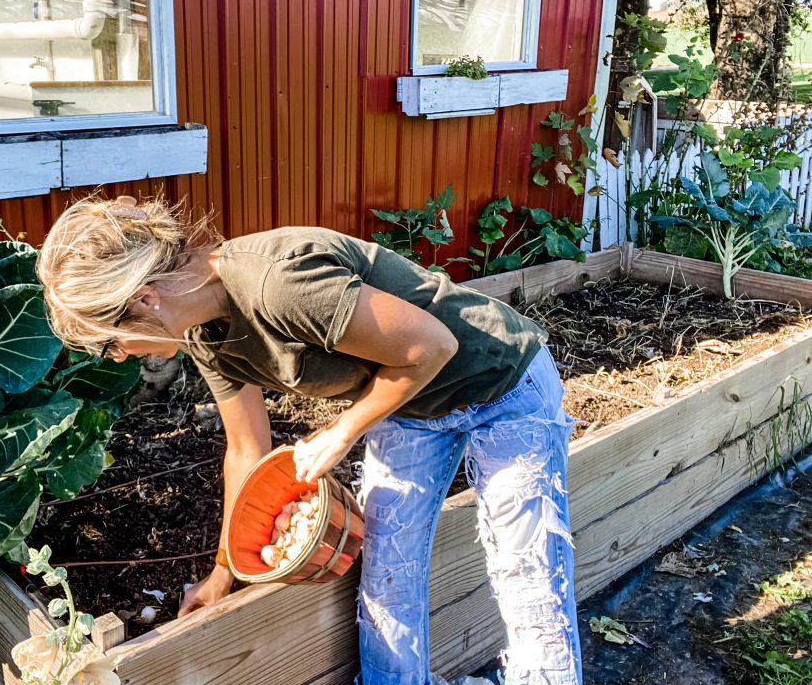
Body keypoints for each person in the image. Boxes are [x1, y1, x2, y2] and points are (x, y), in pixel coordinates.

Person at [37, 195, 581, 685]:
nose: (118, 356)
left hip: (499, 380)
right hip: (409, 403)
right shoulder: (203, 332)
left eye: (110, 342)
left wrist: (342, 430)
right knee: (387, 575)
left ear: (147, 299)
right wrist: (224, 571)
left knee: (526, 575)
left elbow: (430, 346)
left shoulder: (280, 283)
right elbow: (246, 448)